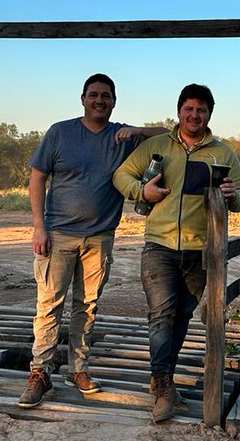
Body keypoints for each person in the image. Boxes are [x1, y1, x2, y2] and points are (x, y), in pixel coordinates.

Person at [18, 74, 163, 408]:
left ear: (114, 101)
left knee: (88, 305)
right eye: (94, 95)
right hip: (58, 234)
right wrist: (38, 227)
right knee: (49, 303)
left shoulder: (122, 136)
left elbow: (169, 135)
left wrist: (139, 132)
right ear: (82, 98)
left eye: (106, 96)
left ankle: (78, 369)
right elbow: (38, 178)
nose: (100, 101)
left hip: (99, 237)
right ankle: (39, 371)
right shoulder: (60, 132)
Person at [113, 83, 240, 422]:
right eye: (188, 109)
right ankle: (161, 386)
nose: (194, 115)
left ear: (209, 115)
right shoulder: (158, 146)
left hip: (200, 250)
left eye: (201, 110)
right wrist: (142, 191)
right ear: (179, 112)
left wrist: (233, 195)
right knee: (161, 316)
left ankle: (165, 380)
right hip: (158, 246)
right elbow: (121, 175)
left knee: (182, 317)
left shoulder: (222, 153)